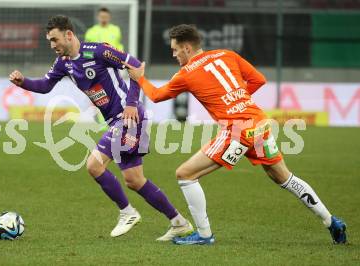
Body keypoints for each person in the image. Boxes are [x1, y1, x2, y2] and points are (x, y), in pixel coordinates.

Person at [124, 24, 347, 245]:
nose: (174, 54)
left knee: (185, 174)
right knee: (284, 177)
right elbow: (259, 79)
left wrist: (139, 78)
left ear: (187, 49)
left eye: (175, 49)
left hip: (237, 131)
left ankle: (203, 235)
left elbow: (156, 95)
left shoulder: (186, 74)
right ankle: (331, 221)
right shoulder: (227, 55)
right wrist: (236, 100)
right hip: (259, 124)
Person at [8, 15, 193, 240]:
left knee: (94, 165)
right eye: (49, 41)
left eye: (55, 39)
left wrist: (133, 104)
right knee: (134, 180)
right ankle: (179, 222)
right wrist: (23, 82)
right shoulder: (63, 63)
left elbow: (135, 65)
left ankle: (127, 213)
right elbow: (46, 85)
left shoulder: (98, 51)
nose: (52, 45)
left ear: (69, 35)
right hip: (117, 121)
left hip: (128, 117)